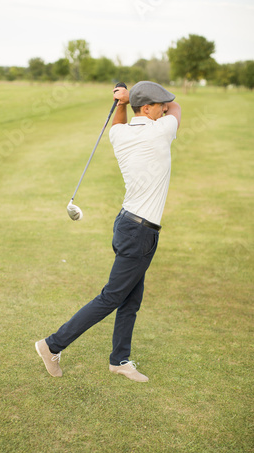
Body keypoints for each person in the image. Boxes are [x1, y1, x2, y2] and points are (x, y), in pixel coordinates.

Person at [35, 81, 181, 382]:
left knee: (130, 298)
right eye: (160, 104)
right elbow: (178, 108)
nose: (166, 107)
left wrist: (121, 102)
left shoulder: (119, 133)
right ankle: (52, 345)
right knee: (112, 297)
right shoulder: (160, 131)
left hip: (128, 224)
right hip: (140, 232)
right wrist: (127, 100)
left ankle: (119, 360)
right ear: (147, 108)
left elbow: (121, 121)